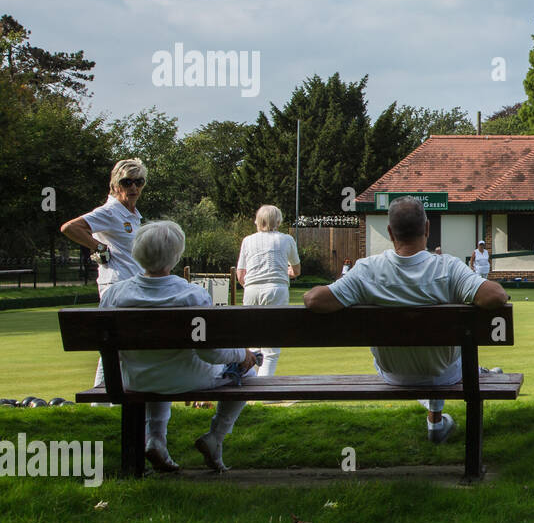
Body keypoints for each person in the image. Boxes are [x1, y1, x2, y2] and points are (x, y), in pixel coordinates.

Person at [303, 197, 508, 442]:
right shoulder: (449, 268)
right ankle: (469, 383)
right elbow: (496, 296)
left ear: (390, 232)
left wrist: (308, 290)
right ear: (428, 229)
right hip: (445, 373)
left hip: (392, 372)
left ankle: (441, 415)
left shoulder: (367, 270)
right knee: (445, 357)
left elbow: (315, 300)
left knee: (432, 357)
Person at [99, 220, 257, 472]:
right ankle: (215, 437)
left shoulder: (113, 295)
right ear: (175, 255)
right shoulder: (193, 295)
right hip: (189, 380)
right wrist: (243, 354)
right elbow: (212, 353)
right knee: (249, 371)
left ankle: (156, 439)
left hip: (136, 380)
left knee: (157, 366)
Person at [60, 158, 149, 401]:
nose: (133, 187)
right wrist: (99, 246)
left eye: (138, 182)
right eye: (127, 182)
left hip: (133, 284)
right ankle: (100, 402)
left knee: (121, 348)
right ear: (115, 184)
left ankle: (111, 400)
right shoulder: (110, 211)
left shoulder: (132, 213)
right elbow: (70, 227)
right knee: (113, 347)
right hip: (116, 285)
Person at [236, 205, 301, 377]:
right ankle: (264, 389)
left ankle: (250, 384)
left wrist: (251, 285)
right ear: (278, 221)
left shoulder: (248, 240)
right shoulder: (286, 239)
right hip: (276, 289)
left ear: (258, 221)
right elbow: (296, 270)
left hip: (251, 290)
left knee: (252, 339)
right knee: (271, 345)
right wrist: (286, 273)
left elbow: (241, 274)